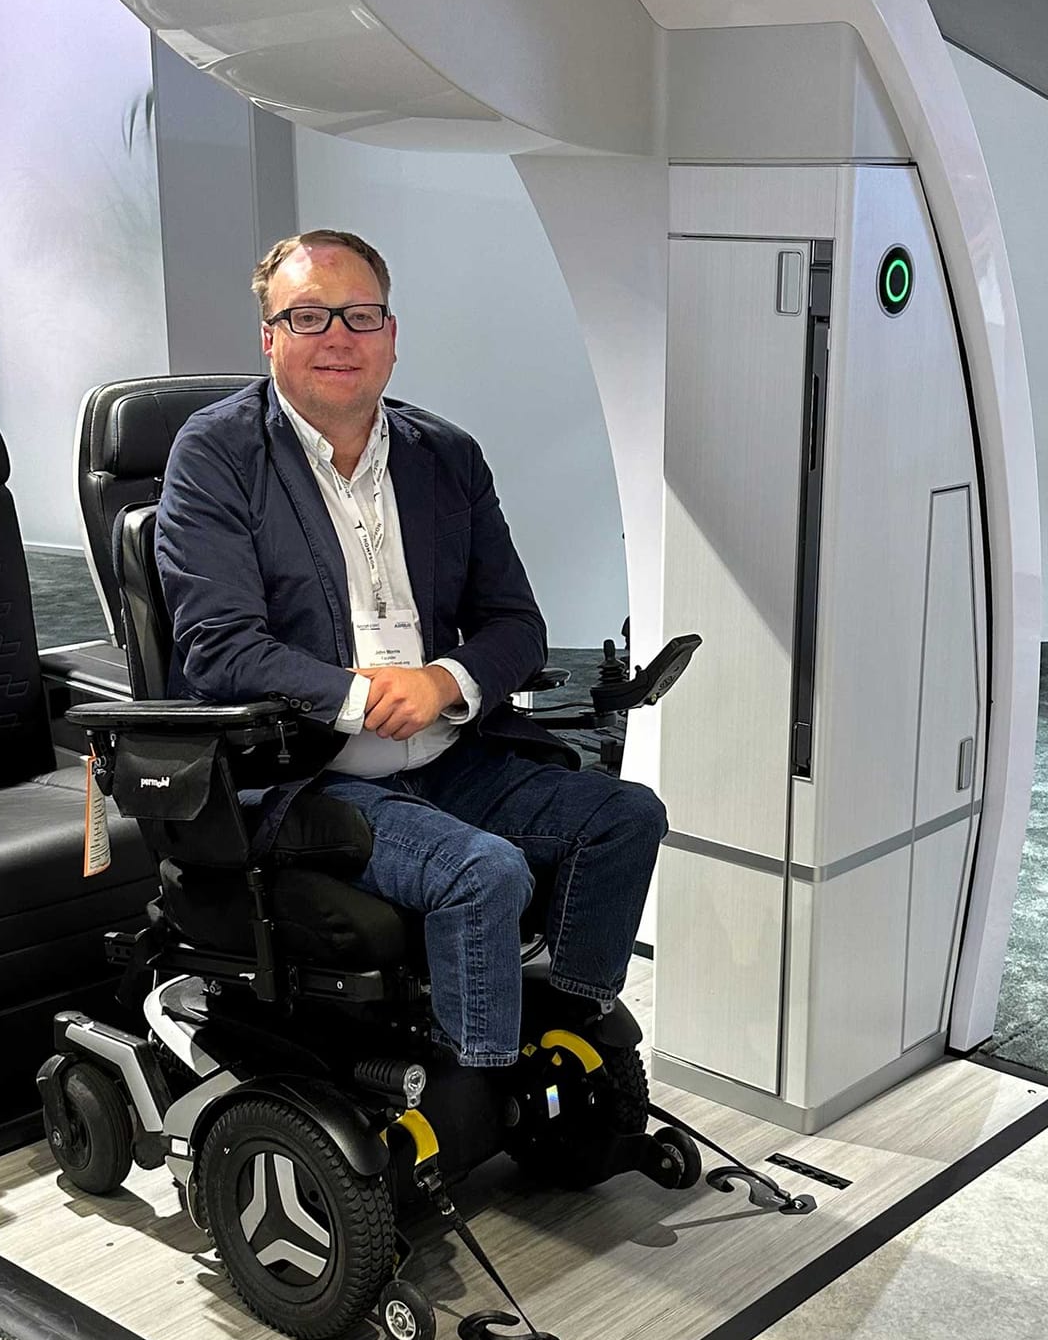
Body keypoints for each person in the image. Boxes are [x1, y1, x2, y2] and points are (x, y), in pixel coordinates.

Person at [156, 229, 667, 1067]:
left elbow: (517, 625)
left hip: (448, 755)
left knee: (625, 817)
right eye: (309, 316)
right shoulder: (218, 454)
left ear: (391, 335)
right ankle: (475, 1085)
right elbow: (218, 648)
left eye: (360, 315)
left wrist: (442, 681)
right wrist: (362, 697)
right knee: (484, 871)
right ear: (270, 338)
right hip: (306, 776)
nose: (338, 337)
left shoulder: (446, 457)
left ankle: (569, 1040)